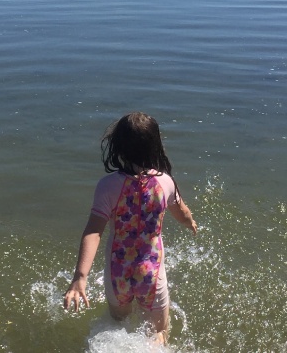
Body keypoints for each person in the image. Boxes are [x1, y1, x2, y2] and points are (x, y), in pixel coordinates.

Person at [63, 112, 197, 344]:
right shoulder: (165, 182)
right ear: (156, 146)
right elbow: (182, 213)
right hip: (151, 273)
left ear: (118, 148)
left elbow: (93, 232)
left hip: (118, 273)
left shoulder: (107, 186)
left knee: (117, 328)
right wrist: (190, 223)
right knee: (158, 334)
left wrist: (80, 277)